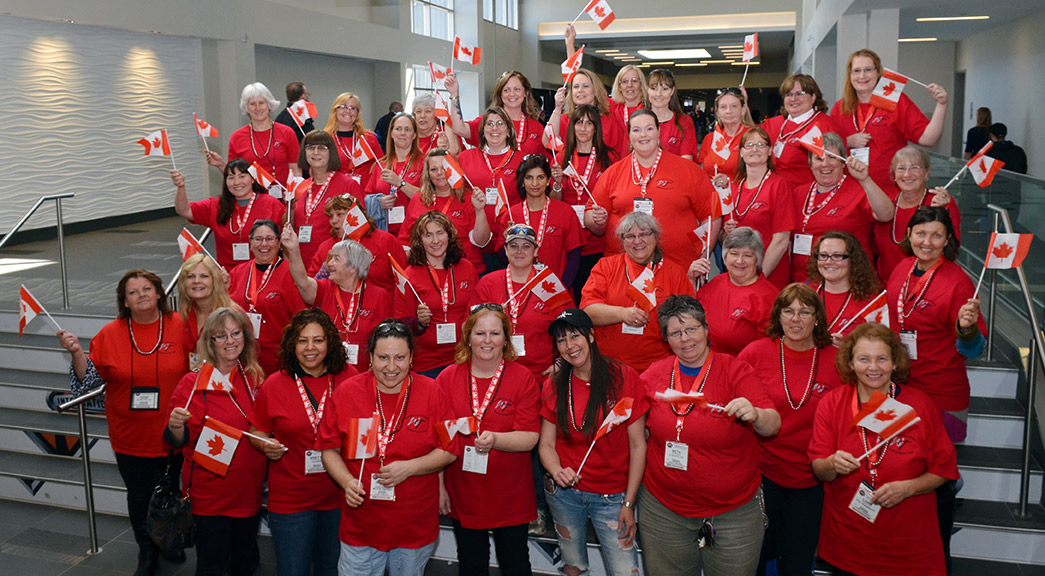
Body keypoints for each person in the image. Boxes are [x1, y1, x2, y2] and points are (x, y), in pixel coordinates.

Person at [58, 270, 190, 576]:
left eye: (147, 288)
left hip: (175, 433)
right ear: (125, 302)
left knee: (171, 492)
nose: (142, 294)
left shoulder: (181, 326)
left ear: (160, 294)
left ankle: (168, 539)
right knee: (139, 496)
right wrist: (77, 352)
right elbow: (87, 382)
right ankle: (147, 550)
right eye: (133, 292)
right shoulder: (110, 333)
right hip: (130, 437)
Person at [640, 295, 780, 576]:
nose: (685, 339)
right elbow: (632, 424)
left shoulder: (736, 370)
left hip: (732, 514)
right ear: (666, 339)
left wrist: (755, 414)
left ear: (706, 329)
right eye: (676, 333)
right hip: (664, 512)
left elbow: (772, 424)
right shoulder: (655, 374)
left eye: (691, 329)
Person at [810, 323, 958, 576]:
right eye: (863, 359)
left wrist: (908, 488)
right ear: (850, 363)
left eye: (882, 359)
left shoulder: (919, 404)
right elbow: (819, 470)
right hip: (848, 542)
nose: (873, 367)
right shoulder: (832, 403)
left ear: (896, 363)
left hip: (909, 543)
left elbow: (944, 469)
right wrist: (832, 463)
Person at [316, 319, 455, 576]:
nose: (391, 367)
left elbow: (449, 449)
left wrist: (410, 468)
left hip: (413, 524)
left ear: (412, 358)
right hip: (361, 524)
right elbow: (329, 449)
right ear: (370, 358)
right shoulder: (347, 393)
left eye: (400, 357)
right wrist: (346, 482)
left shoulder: (432, 391)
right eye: (383, 357)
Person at [738, 284, 841, 576]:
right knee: (753, 561)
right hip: (760, 478)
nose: (796, 319)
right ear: (778, 316)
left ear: (817, 318)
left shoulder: (837, 359)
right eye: (788, 311)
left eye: (805, 312)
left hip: (811, 480)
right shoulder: (755, 353)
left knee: (796, 566)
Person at [249, 308, 357, 576]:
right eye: (302, 340)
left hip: (340, 497)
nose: (310, 348)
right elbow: (257, 430)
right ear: (292, 344)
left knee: (331, 570)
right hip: (291, 499)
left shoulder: (350, 378)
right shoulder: (275, 384)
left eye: (318, 340)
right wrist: (265, 445)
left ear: (330, 343)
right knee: (292, 570)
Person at [539, 308, 646, 575]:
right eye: (562, 340)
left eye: (575, 336)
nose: (569, 346)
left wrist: (629, 503)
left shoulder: (623, 377)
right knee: (572, 565)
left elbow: (638, 445)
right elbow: (546, 444)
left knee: (624, 570)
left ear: (591, 336)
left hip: (613, 495)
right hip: (564, 494)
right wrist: (556, 471)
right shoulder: (553, 385)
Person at [437, 306, 540, 576]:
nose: (487, 340)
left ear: (506, 339)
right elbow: (439, 439)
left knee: (515, 564)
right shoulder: (447, 378)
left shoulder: (523, 377)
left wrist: (495, 439)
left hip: (511, 494)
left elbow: (530, 438)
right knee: (471, 565)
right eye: (480, 333)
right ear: (468, 337)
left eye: (495, 333)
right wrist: (440, 488)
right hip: (464, 491)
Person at [166, 308, 267, 576]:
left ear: (245, 338)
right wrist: (175, 427)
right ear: (209, 342)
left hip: (248, 491)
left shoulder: (255, 378)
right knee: (211, 566)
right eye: (220, 336)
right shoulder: (192, 383)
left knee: (243, 564)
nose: (230, 341)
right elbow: (177, 440)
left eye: (236, 333)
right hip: (209, 496)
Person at [887, 206, 985, 442]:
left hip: (941, 393)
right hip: (899, 387)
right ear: (909, 234)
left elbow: (974, 350)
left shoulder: (958, 282)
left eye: (937, 235)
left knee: (938, 473)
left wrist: (967, 329)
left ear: (947, 240)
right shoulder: (902, 268)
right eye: (921, 233)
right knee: (903, 465)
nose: (927, 242)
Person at [586, 109, 722, 272]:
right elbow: (590, 216)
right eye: (636, 130)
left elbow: (712, 215)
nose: (643, 134)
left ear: (659, 132)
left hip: (680, 270)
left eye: (649, 128)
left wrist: (704, 255)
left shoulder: (688, 170)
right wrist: (597, 221)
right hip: (623, 272)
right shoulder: (612, 173)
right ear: (629, 136)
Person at [581, 211, 694, 372]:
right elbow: (588, 311)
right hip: (609, 366)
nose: (637, 241)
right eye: (630, 236)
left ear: (656, 237)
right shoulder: (605, 267)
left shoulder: (675, 273)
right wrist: (622, 314)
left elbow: (689, 321)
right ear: (622, 241)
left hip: (658, 367)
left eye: (644, 234)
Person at [831, 49, 949, 191]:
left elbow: (929, 139)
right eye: (856, 71)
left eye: (868, 69)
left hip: (889, 190)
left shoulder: (894, 101)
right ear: (850, 75)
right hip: (850, 191)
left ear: (878, 72)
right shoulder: (840, 107)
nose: (862, 75)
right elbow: (828, 150)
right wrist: (848, 141)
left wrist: (941, 104)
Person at [282, 229, 392, 374]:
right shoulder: (324, 289)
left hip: (366, 375)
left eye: (336, 259)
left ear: (353, 268)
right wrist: (293, 250)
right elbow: (302, 281)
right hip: (329, 373)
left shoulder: (379, 295)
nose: (329, 264)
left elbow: (386, 340)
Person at [789, 131, 892, 282]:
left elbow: (887, 215)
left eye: (832, 157)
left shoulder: (859, 189)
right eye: (819, 158)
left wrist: (866, 180)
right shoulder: (798, 193)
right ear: (810, 164)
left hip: (846, 281)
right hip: (803, 283)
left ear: (844, 162)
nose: (825, 164)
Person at [473, 225, 573, 379]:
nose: (519, 251)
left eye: (526, 246)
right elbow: (470, 327)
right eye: (514, 246)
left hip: (543, 374)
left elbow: (570, 328)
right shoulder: (488, 283)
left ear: (536, 251)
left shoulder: (549, 284)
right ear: (505, 250)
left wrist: (561, 363)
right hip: (497, 373)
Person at [395, 211, 480, 377]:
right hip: (427, 363)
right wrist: (419, 323)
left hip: (464, 358)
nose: (435, 241)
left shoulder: (467, 268)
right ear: (419, 241)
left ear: (449, 236)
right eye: (428, 235)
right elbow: (401, 324)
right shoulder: (409, 275)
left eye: (440, 233)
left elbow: (477, 311)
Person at [173, 159, 287, 269]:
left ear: (253, 179)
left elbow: (286, 237)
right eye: (231, 178)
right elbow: (184, 210)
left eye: (242, 176)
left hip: (263, 271)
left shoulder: (271, 204)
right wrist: (181, 187)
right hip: (228, 276)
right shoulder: (217, 205)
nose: (237, 182)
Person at [551, 104, 615, 299]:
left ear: (596, 128)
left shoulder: (608, 157)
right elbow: (555, 202)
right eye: (579, 122)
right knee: (572, 294)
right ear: (572, 127)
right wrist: (556, 183)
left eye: (589, 123)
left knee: (596, 295)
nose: (584, 128)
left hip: (597, 240)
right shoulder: (562, 158)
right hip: (569, 241)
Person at [228, 219, 306, 375]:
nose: (264, 244)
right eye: (258, 239)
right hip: (241, 358)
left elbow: (300, 321)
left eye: (270, 239)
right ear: (250, 243)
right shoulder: (237, 272)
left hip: (278, 361)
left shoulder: (290, 273)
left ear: (279, 243)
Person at [874, 145, 960, 281]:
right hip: (885, 286)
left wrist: (943, 213)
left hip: (928, 284)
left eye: (914, 168)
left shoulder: (940, 202)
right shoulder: (884, 205)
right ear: (894, 175)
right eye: (901, 168)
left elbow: (952, 247)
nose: (907, 174)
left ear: (926, 173)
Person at [400, 148, 491, 272]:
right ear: (428, 174)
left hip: (465, 269)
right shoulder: (418, 200)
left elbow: (482, 242)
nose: (439, 172)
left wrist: (480, 210)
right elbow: (405, 243)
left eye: (444, 167)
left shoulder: (470, 199)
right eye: (433, 169)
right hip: (428, 271)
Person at [692, 228, 779, 357]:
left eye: (748, 255)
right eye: (734, 254)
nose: (739, 261)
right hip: (705, 360)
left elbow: (769, 349)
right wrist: (692, 279)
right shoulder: (716, 282)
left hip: (744, 368)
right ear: (725, 257)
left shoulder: (769, 297)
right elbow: (693, 315)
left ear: (758, 260)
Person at [498, 154, 582, 286]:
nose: (535, 183)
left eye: (540, 177)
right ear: (522, 182)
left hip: (558, 290)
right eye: (529, 178)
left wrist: (562, 289)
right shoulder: (511, 215)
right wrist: (507, 240)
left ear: (548, 181)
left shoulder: (566, 212)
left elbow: (575, 256)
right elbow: (503, 259)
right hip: (521, 290)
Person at [726, 127, 794, 288]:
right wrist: (726, 233)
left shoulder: (779, 185)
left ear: (770, 151)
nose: (755, 149)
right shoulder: (733, 188)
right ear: (741, 152)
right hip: (739, 274)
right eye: (749, 145)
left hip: (769, 275)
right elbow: (725, 238)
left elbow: (781, 240)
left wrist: (758, 276)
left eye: (761, 144)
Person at [206, 82, 301, 188]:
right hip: (250, 200)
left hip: (283, 200)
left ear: (269, 105)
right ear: (246, 107)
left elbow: (296, 170)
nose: (258, 108)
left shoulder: (287, 133)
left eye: (261, 103)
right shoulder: (237, 137)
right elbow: (234, 176)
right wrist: (220, 164)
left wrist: (294, 198)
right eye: (252, 104)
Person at [308, 194, 406, 293]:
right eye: (331, 216)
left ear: (356, 214)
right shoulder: (326, 248)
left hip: (380, 305)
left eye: (339, 214)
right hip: (339, 306)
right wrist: (326, 269)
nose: (333, 220)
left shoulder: (385, 240)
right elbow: (311, 288)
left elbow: (404, 281)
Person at [293, 130, 364, 266]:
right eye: (310, 148)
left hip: (335, 265)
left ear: (331, 153)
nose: (315, 152)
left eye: (322, 148)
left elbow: (359, 229)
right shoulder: (299, 188)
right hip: (302, 265)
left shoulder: (348, 185)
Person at [456, 106, 525, 242]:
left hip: (511, 236)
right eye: (489, 124)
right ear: (483, 131)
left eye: (500, 123)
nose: (495, 128)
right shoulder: (464, 158)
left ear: (509, 131)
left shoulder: (522, 160)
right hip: (473, 235)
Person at [762, 74, 840, 189]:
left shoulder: (824, 126)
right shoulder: (772, 124)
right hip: (774, 194)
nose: (793, 99)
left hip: (805, 196)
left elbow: (835, 168)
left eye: (800, 93)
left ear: (813, 97)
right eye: (788, 94)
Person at [446, 70, 546, 157]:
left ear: (525, 93)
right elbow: (459, 129)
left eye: (517, 89)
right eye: (506, 90)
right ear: (500, 95)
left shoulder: (536, 127)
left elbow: (545, 163)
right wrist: (454, 94)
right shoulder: (488, 123)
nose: (512, 94)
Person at [806, 232, 882, 344]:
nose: (829, 262)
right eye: (823, 255)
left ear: (853, 260)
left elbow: (881, 347)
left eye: (837, 256)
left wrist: (848, 349)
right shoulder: (804, 292)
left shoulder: (872, 301)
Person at [364, 112, 424, 236]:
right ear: (391, 133)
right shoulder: (380, 165)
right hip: (384, 233)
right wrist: (379, 201)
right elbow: (366, 199)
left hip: (415, 234)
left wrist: (400, 183)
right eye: (398, 129)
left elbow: (427, 198)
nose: (402, 133)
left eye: (407, 129)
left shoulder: (424, 162)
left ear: (414, 135)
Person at [549, 68, 628, 160]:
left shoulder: (610, 121)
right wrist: (558, 108)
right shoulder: (564, 119)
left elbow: (619, 154)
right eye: (576, 86)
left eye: (585, 86)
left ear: (595, 90)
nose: (580, 90)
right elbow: (548, 141)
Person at [177, 254, 238, 363]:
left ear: (215, 280)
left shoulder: (233, 315)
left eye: (204, 276)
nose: (196, 281)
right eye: (190, 276)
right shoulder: (186, 315)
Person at [324, 92, 383, 184]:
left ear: (357, 113)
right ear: (335, 111)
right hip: (338, 194)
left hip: (366, 195)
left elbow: (381, 167)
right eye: (343, 107)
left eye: (352, 108)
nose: (348, 111)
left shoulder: (369, 138)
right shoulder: (325, 139)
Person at [698, 88, 754, 185]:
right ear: (718, 111)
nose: (728, 111)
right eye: (723, 107)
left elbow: (761, 176)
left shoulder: (753, 136)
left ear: (743, 109)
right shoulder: (710, 138)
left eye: (734, 106)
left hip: (742, 196)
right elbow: (702, 170)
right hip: (712, 197)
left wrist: (730, 183)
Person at [647, 69, 698, 160]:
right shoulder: (637, 121)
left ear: (672, 91)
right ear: (647, 90)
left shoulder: (684, 122)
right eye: (654, 88)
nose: (658, 94)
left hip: (675, 173)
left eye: (665, 89)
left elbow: (686, 161)